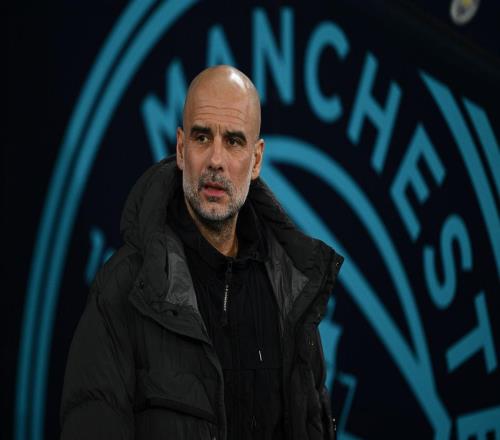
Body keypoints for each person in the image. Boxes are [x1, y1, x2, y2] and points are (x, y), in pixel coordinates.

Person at [60, 65, 344, 440]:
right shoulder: (123, 289)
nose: (215, 160)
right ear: (181, 149)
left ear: (256, 160)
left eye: (234, 141)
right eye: (202, 137)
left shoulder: (289, 292)